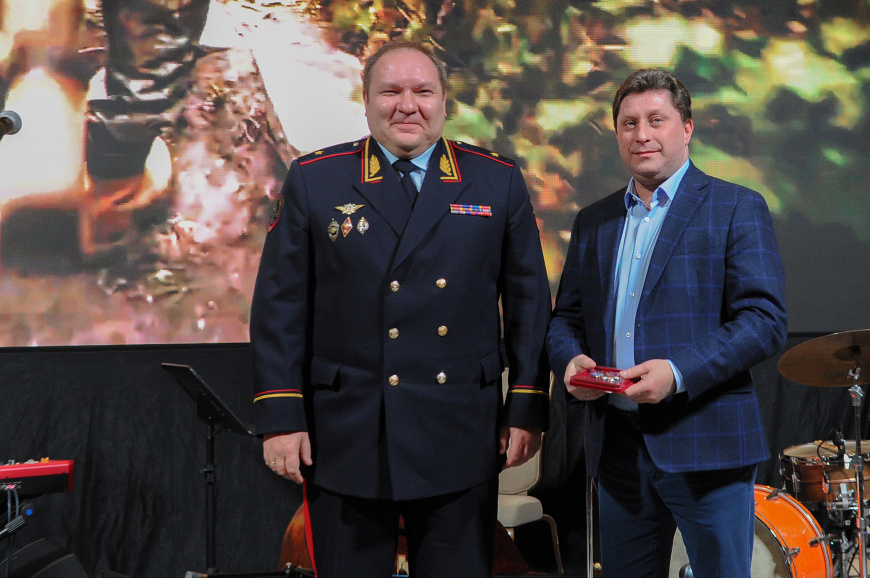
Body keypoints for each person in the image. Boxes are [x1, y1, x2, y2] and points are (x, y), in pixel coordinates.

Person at [249, 40, 551, 578]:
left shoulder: (495, 178)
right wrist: (280, 418)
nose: (407, 105)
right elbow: (279, 306)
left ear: (444, 102)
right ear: (365, 102)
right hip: (348, 433)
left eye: (423, 91)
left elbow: (529, 303)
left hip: (458, 430)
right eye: (390, 91)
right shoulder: (317, 178)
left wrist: (526, 405)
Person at [546, 68, 787, 578]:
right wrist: (570, 362)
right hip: (616, 448)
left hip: (707, 444)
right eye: (629, 123)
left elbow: (764, 320)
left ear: (687, 127)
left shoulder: (736, 207)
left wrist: (677, 373)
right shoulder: (594, 220)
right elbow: (565, 317)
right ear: (617, 134)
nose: (643, 135)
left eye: (657, 120)